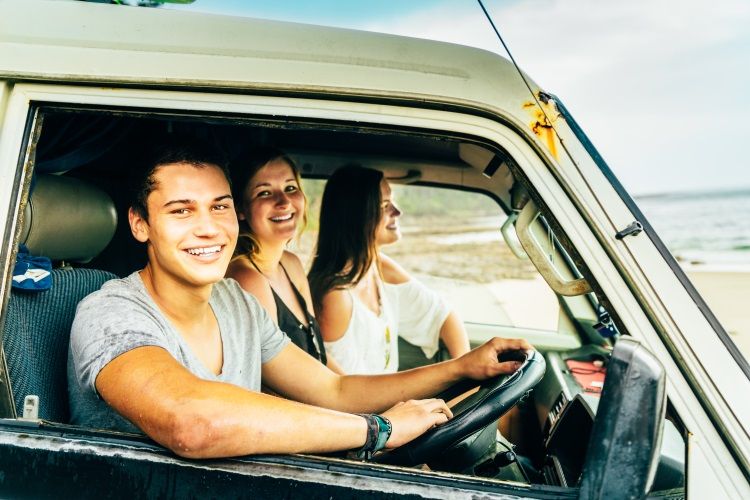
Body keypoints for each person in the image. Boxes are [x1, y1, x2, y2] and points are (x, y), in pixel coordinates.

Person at [67, 139, 532, 459]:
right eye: (181, 211)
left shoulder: (234, 302)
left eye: (220, 206)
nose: (208, 227)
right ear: (139, 224)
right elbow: (193, 423)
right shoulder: (111, 314)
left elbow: (333, 390)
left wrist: (461, 367)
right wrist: (380, 431)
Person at [309, 165, 471, 375]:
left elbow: (444, 315)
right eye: (384, 205)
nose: (397, 211)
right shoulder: (336, 296)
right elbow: (344, 391)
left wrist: (467, 371)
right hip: (366, 407)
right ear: (356, 217)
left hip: (390, 403)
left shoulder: (378, 267)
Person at [226, 147, 341, 372]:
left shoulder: (291, 264)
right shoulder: (246, 278)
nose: (284, 202)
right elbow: (274, 380)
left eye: (290, 188)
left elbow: (318, 355)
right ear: (240, 208)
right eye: (265, 193)